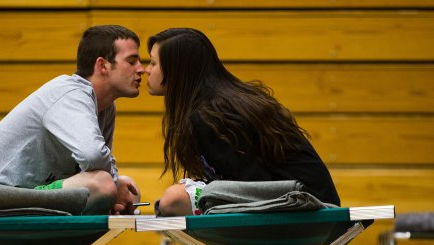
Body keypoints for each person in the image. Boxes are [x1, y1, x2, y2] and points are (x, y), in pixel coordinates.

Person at [145, 28, 340, 216]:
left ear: (177, 69)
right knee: (177, 197)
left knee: (174, 199)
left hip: (310, 208)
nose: (146, 70)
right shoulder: (213, 106)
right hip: (304, 203)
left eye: (153, 63)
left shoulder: (212, 115)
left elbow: (250, 183)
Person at [0, 25, 145, 215]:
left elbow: (99, 163)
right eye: (132, 61)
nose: (141, 69)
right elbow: (94, 157)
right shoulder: (70, 94)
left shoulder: (106, 106)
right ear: (103, 65)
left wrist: (118, 184)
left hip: (29, 193)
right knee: (104, 185)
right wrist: (114, 184)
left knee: (129, 189)